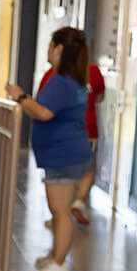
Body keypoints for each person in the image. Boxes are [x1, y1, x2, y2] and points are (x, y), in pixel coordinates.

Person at [7, 26, 95, 271]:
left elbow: (44, 113)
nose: (47, 50)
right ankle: (57, 257)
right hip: (67, 153)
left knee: (61, 212)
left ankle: (58, 266)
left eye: (50, 45)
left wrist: (20, 96)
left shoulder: (61, 82)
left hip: (64, 155)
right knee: (59, 212)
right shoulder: (73, 81)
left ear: (59, 49)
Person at [37, 28, 104, 226]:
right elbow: (99, 96)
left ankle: (61, 215)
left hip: (61, 136)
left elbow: (43, 105)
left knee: (61, 177)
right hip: (87, 129)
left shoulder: (54, 76)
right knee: (86, 168)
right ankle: (79, 200)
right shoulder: (92, 73)